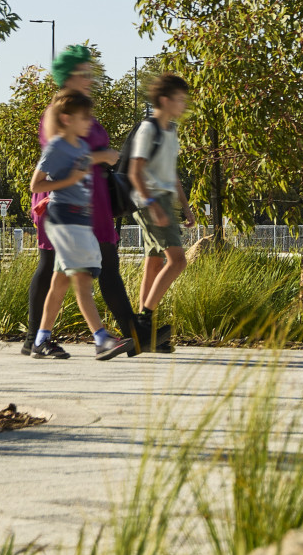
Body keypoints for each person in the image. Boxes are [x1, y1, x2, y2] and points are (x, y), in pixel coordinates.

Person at [23, 45, 141, 356]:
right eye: (84, 73)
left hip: (89, 200)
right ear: (68, 76)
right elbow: (60, 156)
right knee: (67, 270)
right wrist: (101, 156)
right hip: (63, 202)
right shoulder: (57, 114)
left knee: (68, 272)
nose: (90, 78)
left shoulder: (80, 110)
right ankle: (107, 337)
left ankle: (38, 339)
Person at [126, 72, 193, 352]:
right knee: (178, 261)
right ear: (164, 100)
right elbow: (135, 170)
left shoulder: (171, 130)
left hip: (164, 200)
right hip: (150, 201)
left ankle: (145, 335)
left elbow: (171, 173)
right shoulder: (148, 129)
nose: (184, 105)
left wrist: (186, 206)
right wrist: (154, 206)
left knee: (154, 264)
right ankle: (144, 321)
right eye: (179, 100)